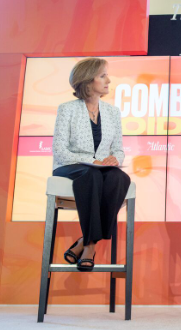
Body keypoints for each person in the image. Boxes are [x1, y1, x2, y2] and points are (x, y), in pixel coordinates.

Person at [52, 58, 130, 271]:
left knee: (120, 177)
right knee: (92, 175)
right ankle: (90, 246)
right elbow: (60, 150)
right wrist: (92, 161)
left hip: (100, 169)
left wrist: (115, 159)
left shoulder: (112, 112)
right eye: (103, 75)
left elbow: (119, 149)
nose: (109, 80)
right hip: (70, 165)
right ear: (88, 80)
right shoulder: (67, 109)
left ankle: (85, 241)